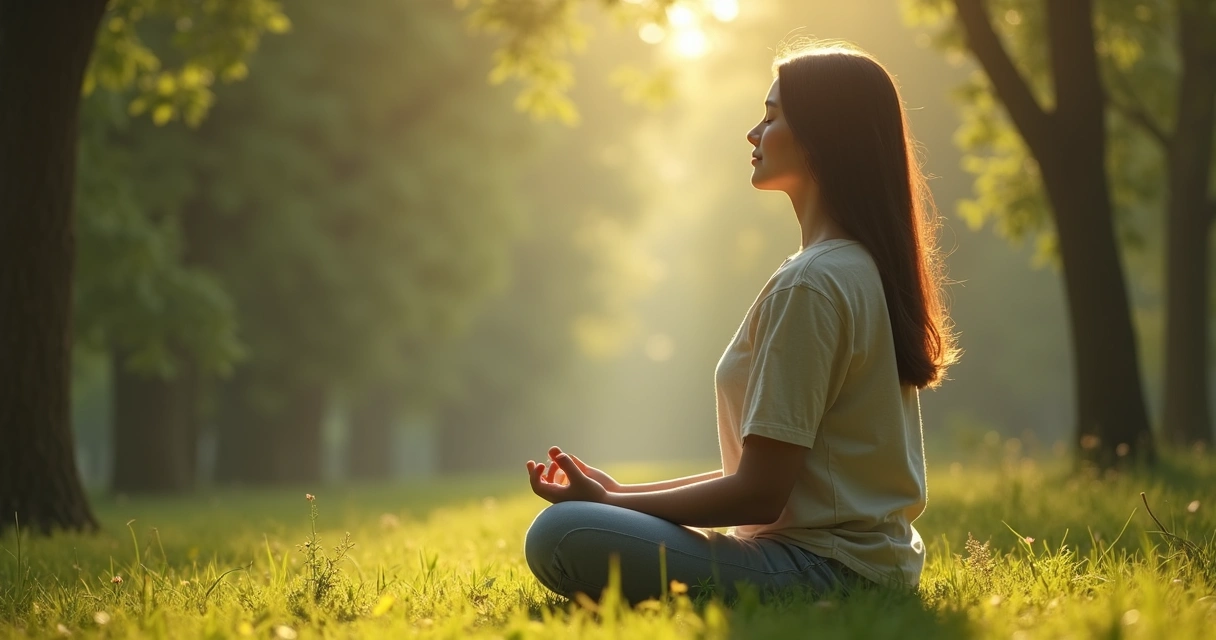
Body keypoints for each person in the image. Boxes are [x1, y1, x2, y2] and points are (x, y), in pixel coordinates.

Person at [522, 42, 958, 605]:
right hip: (862, 564)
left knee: (563, 533)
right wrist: (618, 492)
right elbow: (768, 475)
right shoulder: (854, 266)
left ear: (824, 136)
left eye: (773, 117)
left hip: (823, 571)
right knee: (583, 519)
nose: (754, 133)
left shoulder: (814, 282)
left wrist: (608, 508)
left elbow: (759, 494)